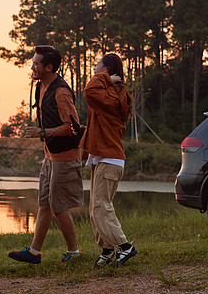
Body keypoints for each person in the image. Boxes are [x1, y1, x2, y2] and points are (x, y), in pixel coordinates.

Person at [8, 45, 83, 264]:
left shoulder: (61, 92)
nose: (32, 66)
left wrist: (42, 132)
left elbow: (72, 127)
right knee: (45, 204)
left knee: (58, 206)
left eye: (36, 63)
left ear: (48, 67)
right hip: (50, 156)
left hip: (66, 156)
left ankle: (74, 252)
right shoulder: (40, 85)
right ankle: (34, 252)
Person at [79, 53, 137, 268]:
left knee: (101, 206)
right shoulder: (110, 93)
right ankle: (107, 250)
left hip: (110, 159)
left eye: (97, 65)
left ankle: (125, 247)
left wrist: (107, 79)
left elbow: (89, 91)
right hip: (101, 158)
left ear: (107, 68)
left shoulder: (116, 91)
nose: (94, 68)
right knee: (95, 209)